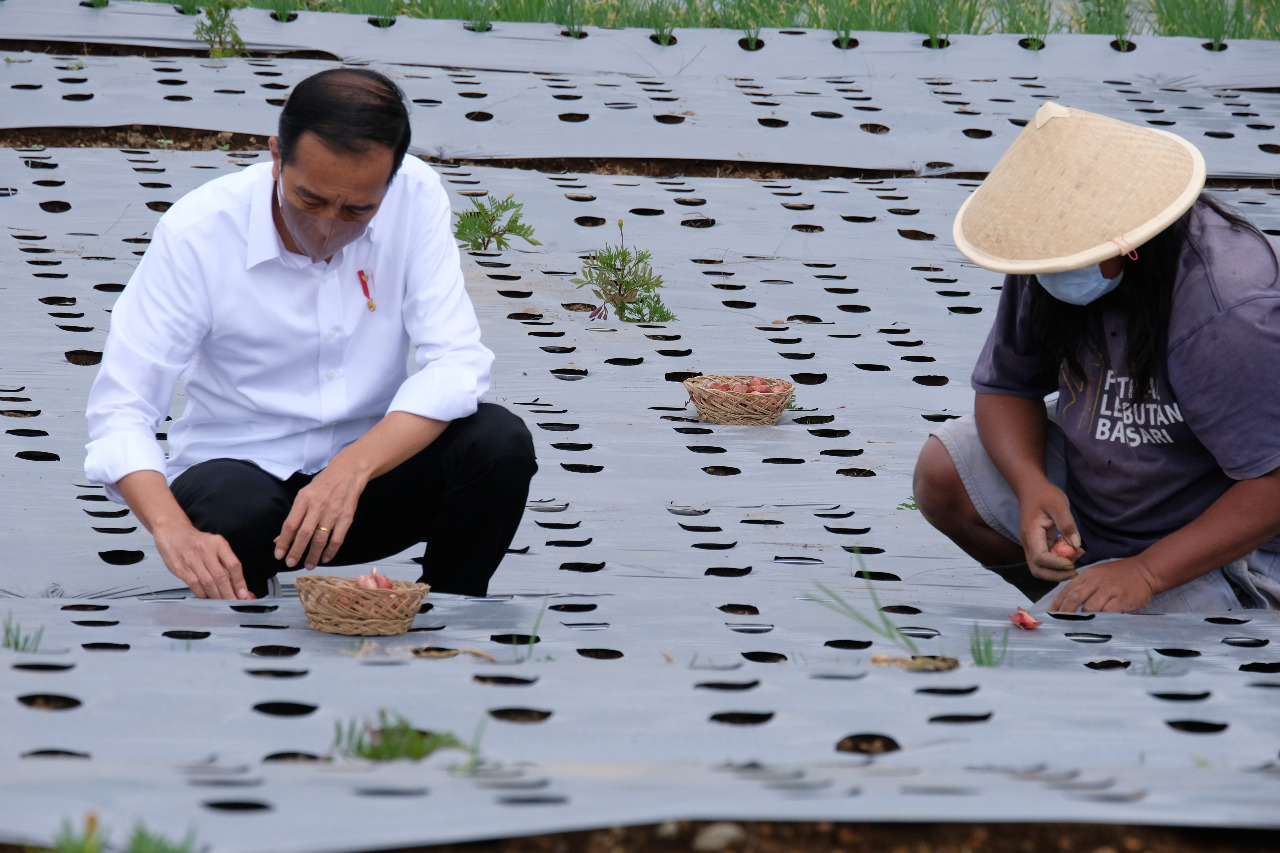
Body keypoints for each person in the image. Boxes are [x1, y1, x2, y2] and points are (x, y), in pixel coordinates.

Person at [85, 68, 537, 601]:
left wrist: (353, 466)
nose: (328, 229)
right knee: (233, 511)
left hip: (368, 480)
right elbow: (122, 410)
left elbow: (457, 364)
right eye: (311, 201)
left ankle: (449, 612)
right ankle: (247, 624)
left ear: (390, 181)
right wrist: (172, 530)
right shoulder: (199, 231)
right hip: (242, 480)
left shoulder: (416, 196)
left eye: (358, 210)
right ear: (277, 156)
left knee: (498, 444)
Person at [913, 102, 1280, 614]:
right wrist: (1031, 485)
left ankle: (1124, 595)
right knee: (944, 470)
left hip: (1234, 542)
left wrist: (1149, 572)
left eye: (1068, 252)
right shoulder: (1049, 255)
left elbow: (1270, 485)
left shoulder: (1226, 310)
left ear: (1131, 241)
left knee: (1156, 642)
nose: (1051, 267)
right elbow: (1006, 387)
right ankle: (1074, 590)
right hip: (1104, 494)